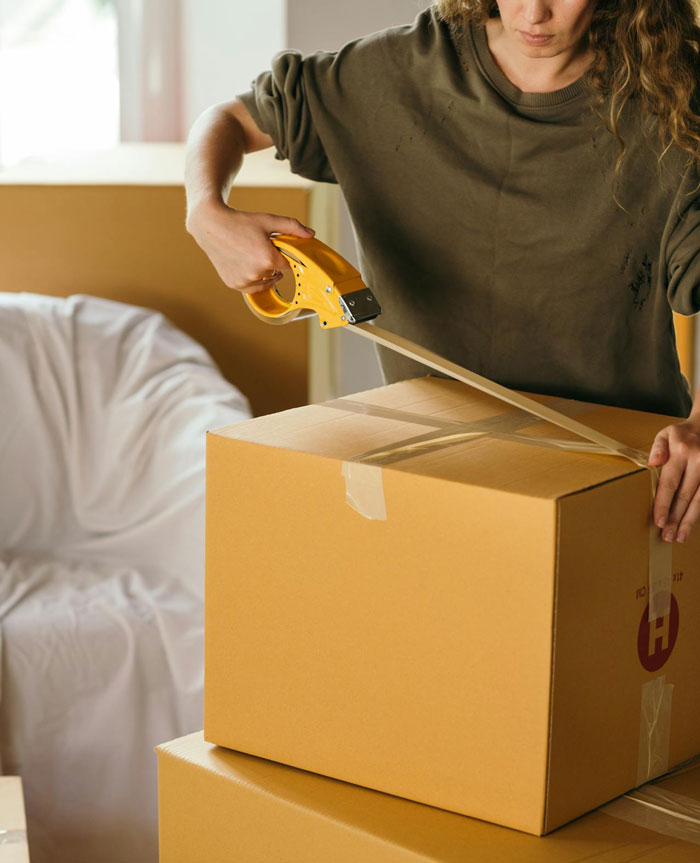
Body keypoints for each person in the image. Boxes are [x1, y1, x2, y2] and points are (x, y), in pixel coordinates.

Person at [184, 0, 700, 544]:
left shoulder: (671, 98)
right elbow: (231, 119)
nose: (535, 12)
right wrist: (205, 210)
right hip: (438, 474)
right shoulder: (398, 69)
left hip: (626, 482)